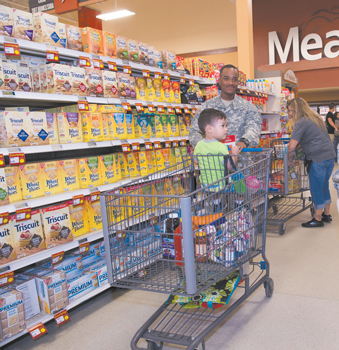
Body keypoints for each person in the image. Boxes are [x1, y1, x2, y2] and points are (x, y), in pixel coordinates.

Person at [287, 97, 335, 228]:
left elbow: (291, 146)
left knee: (316, 188)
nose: (290, 114)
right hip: (330, 157)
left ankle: (317, 218)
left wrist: (289, 161)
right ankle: (326, 214)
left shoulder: (301, 122)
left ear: (297, 110)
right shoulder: (316, 118)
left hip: (318, 158)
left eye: (291, 111)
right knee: (324, 185)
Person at [189, 64, 261, 150]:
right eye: (226, 78)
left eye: (234, 79)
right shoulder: (207, 107)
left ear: (238, 82)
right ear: (219, 81)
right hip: (213, 160)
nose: (230, 83)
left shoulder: (248, 107)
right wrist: (205, 147)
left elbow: (253, 128)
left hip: (241, 159)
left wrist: (244, 142)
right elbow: (195, 131)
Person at [194, 108, 240, 212]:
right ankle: (238, 205)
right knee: (241, 183)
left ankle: (217, 204)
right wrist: (235, 154)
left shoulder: (199, 144)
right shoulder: (220, 147)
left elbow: (196, 160)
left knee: (214, 193)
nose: (226, 129)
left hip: (205, 184)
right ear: (209, 128)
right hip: (220, 183)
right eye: (223, 126)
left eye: (226, 126)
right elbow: (230, 166)